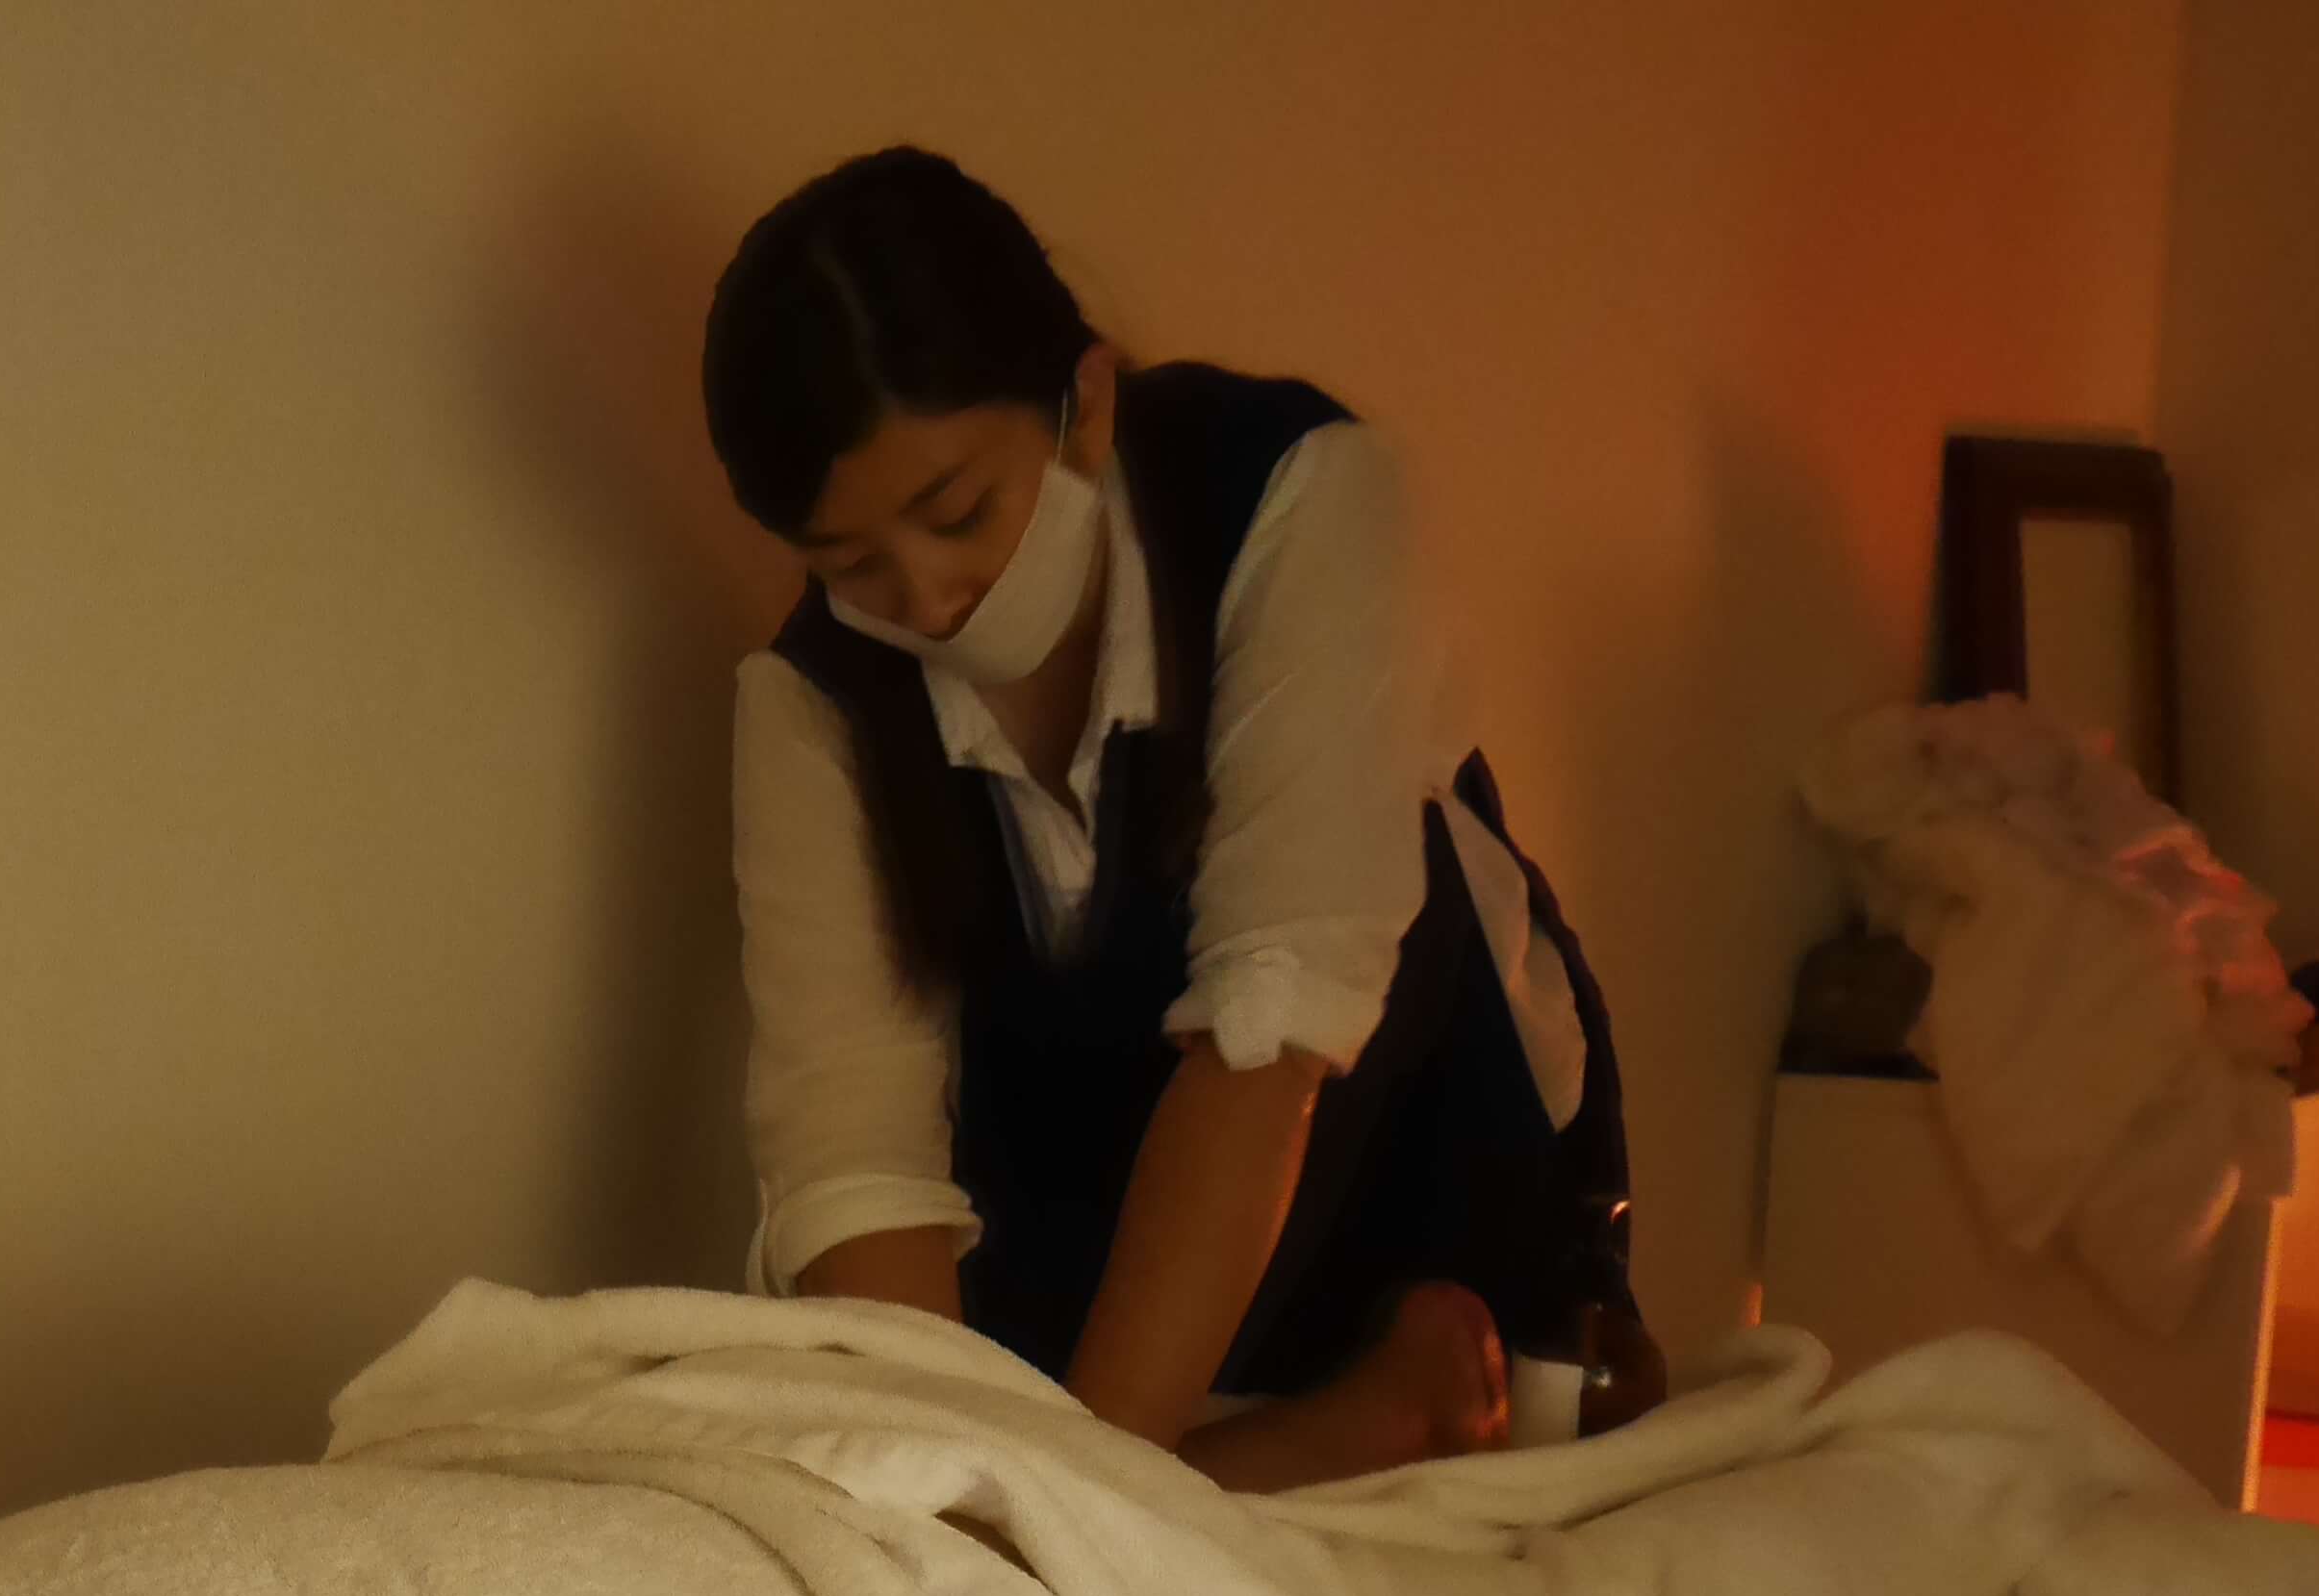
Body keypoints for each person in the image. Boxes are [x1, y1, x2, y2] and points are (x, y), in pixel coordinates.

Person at [702, 147, 1658, 1492]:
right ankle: (1327, 1436)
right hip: (1094, 1238)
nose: (926, 599)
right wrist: (950, 1476)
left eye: (958, 514)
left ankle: (1384, 1390)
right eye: (854, 565)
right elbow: (855, 1157)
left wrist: (1071, 1499)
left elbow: (1276, 1019)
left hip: (1407, 1145)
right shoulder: (811, 700)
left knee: (1322, 938)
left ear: (1084, 406)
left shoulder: (1292, 489)